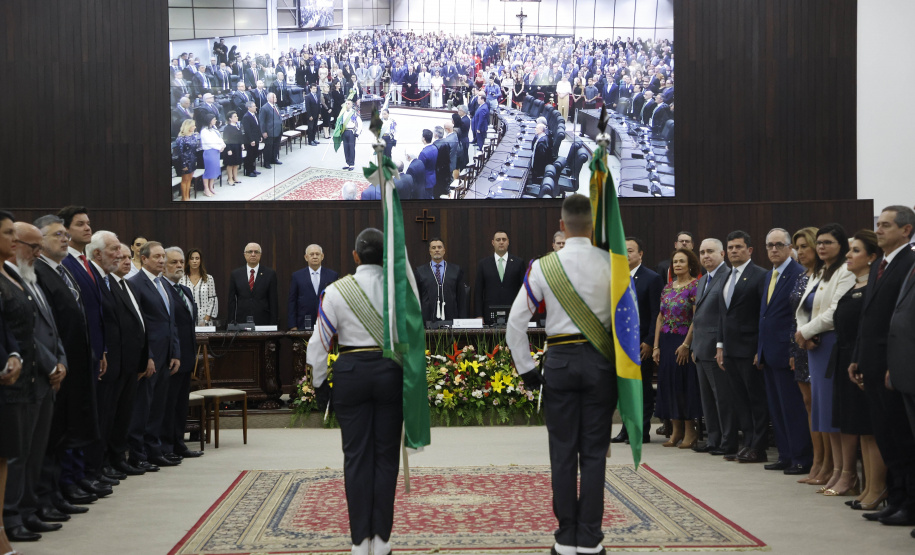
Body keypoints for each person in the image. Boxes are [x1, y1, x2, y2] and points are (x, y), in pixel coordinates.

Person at [505, 194, 615, 555]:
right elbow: (628, 324)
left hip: (560, 365)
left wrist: (528, 372)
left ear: (562, 225)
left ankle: (566, 536)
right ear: (593, 225)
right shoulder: (613, 264)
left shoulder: (542, 267)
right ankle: (591, 538)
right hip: (601, 364)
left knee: (563, 452)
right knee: (595, 453)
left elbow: (514, 325)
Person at [306, 228, 402, 555]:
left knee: (357, 458)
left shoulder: (334, 290)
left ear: (355, 256)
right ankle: (383, 541)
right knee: (386, 459)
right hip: (390, 373)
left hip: (350, 373)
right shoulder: (399, 289)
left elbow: (318, 342)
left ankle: (360, 542)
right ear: (385, 257)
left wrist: (320, 385)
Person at [32, 215, 103, 515]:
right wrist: (55, 362)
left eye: (65, 234)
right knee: (53, 433)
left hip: (74, 363)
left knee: (70, 427)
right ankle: (50, 493)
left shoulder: (62, 271)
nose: (64, 239)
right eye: (57, 235)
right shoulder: (38, 272)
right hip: (53, 368)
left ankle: (63, 488)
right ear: (38, 242)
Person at [2, 222, 68, 543]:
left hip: (45, 378)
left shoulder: (31, 279)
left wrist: (61, 361)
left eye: (39, 247)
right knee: (19, 454)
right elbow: (21, 334)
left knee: (36, 450)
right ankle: (11, 516)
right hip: (26, 379)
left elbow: (52, 330)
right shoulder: (9, 281)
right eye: (33, 247)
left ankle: (29, 509)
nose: (38, 253)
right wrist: (50, 363)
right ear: (15, 246)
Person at [849, 206, 915, 525]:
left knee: (901, 436)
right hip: (871, 362)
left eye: (886, 225)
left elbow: (898, 321)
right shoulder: (881, 264)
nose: (879, 230)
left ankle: (908, 502)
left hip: (893, 365)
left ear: (906, 230)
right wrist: (858, 357)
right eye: (878, 225)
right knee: (884, 434)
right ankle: (894, 497)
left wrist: (892, 363)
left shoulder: (909, 262)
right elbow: (869, 317)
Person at [795, 224, 855, 493]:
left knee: (833, 412)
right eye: (818, 242)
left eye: (828, 242)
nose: (821, 247)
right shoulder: (820, 271)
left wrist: (807, 331)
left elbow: (836, 310)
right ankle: (832, 470)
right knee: (821, 412)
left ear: (840, 246)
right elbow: (804, 306)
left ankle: (845, 473)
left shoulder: (845, 271)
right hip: (814, 345)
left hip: (831, 342)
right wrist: (803, 333)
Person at [755, 228, 812, 476]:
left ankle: (801, 457)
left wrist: (793, 350)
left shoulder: (798, 274)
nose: (774, 249)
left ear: (791, 248)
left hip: (788, 352)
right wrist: (760, 349)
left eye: (779, 245)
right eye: (770, 245)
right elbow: (764, 316)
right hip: (769, 352)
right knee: (776, 408)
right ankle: (785, 455)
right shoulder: (769, 276)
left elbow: (795, 317)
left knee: (793, 407)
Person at [836, 230, 885, 507]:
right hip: (848, 359)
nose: (848, 255)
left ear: (872, 256)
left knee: (870, 428)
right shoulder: (854, 285)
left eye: (855, 250)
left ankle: (877, 487)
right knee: (860, 427)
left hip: (865, 360)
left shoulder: (871, 288)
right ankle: (868, 486)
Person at [127, 241, 181, 471]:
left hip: (166, 356)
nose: (161, 261)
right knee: (143, 408)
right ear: (144, 259)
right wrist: (146, 356)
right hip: (149, 357)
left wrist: (175, 352)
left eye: (163, 257)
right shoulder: (135, 284)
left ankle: (154, 450)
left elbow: (171, 322)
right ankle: (138, 454)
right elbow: (138, 326)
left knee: (159, 406)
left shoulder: (163, 284)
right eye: (157, 257)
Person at [716, 230, 768, 462]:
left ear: (750, 250)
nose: (734, 251)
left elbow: (763, 316)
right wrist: (720, 346)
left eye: (738, 247)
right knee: (739, 400)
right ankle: (746, 443)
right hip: (730, 350)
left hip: (750, 349)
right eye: (730, 248)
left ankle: (759, 446)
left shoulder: (760, 275)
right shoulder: (727, 276)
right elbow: (723, 315)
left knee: (755, 399)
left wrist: (760, 348)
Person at [612, 237, 661, 445]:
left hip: (641, 344)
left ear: (640, 254)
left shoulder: (652, 278)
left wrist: (650, 341)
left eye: (630, 250)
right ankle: (626, 428)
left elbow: (656, 313)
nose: (626, 254)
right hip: (620, 344)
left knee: (641, 389)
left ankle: (642, 431)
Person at [651, 248, 701, 448]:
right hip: (666, 341)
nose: (678, 264)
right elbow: (660, 317)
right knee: (669, 385)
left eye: (682, 261)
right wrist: (655, 346)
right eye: (675, 262)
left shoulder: (695, 286)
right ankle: (676, 429)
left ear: (690, 264)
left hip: (684, 341)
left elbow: (696, 318)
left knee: (684, 385)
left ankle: (690, 431)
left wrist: (687, 345)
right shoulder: (667, 288)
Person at [688, 238, 734, 455]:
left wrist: (720, 344)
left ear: (722, 254)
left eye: (710, 251)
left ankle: (728, 441)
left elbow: (725, 316)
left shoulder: (728, 277)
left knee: (723, 399)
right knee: (707, 400)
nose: (705, 256)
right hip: (700, 349)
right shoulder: (702, 280)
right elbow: (698, 316)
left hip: (716, 348)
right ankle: (713, 439)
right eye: (702, 252)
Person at [107, 243, 148, 478]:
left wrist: (142, 360)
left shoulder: (127, 286)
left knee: (124, 415)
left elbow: (139, 325)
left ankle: (118, 458)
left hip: (132, 363)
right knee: (112, 416)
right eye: (120, 257)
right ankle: (109, 461)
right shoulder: (109, 285)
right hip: (116, 362)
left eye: (127, 257)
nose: (126, 261)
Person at [789, 227, 826, 483]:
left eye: (805, 246)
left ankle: (827, 464)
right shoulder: (802, 277)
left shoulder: (827, 275)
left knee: (822, 406)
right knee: (809, 404)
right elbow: (796, 316)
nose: (800, 252)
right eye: (798, 247)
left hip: (821, 344)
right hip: (801, 346)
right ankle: (818, 461)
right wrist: (794, 349)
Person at [161, 247, 203, 462]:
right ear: (163, 265)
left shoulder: (185, 291)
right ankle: (166, 446)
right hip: (171, 358)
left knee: (180, 404)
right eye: (173, 262)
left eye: (180, 262)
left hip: (187, 357)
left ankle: (179, 443)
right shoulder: (162, 290)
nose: (178, 266)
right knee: (168, 405)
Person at [474, 231, 526, 324]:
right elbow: (478, 292)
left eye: (504, 239)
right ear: (493, 243)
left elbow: (524, 290)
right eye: (498, 240)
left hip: (514, 315)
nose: (501, 242)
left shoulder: (518, 263)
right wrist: (479, 315)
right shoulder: (484, 264)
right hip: (489, 316)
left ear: (508, 242)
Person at [414, 238, 467, 324]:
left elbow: (461, 298)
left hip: (451, 318)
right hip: (427, 320)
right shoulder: (420, 272)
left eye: (439, 247)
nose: (437, 250)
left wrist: (462, 321)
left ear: (444, 250)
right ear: (430, 251)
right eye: (433, 248)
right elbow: (416, 298)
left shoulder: (456, 270)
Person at [287, 244, 338, 331]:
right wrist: (292, 325)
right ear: (306, 257)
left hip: (327, 323)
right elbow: (292, 301)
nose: (315, 257)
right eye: (312, 254)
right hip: (303, 323)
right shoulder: (297, 276)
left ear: (322, 256)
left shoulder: (332, 275)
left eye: (317, 254)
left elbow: (336, 301)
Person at [227, 243, 278, 326]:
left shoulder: (270, 274)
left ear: (260, 255)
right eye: (250, 252)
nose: (253, 254)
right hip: (241, 321)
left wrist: (273, 324)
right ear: (244, 255)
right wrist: (231, 323)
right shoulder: (236, 274)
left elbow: (273, 301)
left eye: (256, 252)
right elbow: (231, 301)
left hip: (263, 321)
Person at [179, 248, 218, 325]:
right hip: (186, 320)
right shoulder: (181, 279)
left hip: (205, 321)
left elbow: (212, 300)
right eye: (192, 258)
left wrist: (206, 319)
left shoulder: (208, 278)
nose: (194, 261)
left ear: (200, 261)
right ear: (188, 261)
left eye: (197, 258)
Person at [173, 120, 200, 201]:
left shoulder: (192, 136)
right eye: (193, 126)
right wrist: (183, 165)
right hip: (184, 161)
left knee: (189, 180)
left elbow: (195, 148)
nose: (195, 127)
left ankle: (187, 196)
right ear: (188, 127)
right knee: (185, 180)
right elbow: (180, 153)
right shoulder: (181, 138)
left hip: (192, 160)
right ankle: (184, 198)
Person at [199, 115, 225, 197]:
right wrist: (219, 147)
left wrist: (223, 145)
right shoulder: (204, 131)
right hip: (209, 152)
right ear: (209, 120)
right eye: (214, 119)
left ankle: (211, 187)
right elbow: (209, 142)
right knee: (209, 170)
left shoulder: (214, 128)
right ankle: (206, 189)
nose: (215, 120)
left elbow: (219, 138)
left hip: (216, 151)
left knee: (214, 169)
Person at [335, 99, 362, 171]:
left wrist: (358, 132)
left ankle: (352, 164)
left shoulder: (354, 113)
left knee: (351, 148)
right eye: (346, 103)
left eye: (348, 103)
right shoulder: (343, 113)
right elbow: (340, 122)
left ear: (352, 105)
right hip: (344, 131)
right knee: (345, 148)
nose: (347, 105)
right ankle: (347, 163)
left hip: (351, 131)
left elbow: (360, 123)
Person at [259, 92, 284, 170]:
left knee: (276, 146)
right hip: (269, 131)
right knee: (268, 147)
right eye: (273, 97)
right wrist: (263, 132)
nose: (275, 98)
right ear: (269, 98)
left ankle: (274, 159)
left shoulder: (275, 106)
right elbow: (262, 121)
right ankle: (267, 162)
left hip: (278, 129)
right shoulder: (264, 108)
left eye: (275, 97)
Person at [222, 111, 244, 186]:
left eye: (236, 116)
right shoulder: (227, 128)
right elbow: (225, 139)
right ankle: (230, 178)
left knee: (236, 163)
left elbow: (240, 136)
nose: (237, 117)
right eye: (235, 116)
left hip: (237, 146)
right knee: (230, 164)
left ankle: (235, 177)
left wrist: (242, 144)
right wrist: (228, 149)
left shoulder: (237, 126)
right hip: (230, 148)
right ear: (230, 119)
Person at [241, 101, 262, 178]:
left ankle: (253, 169)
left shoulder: (255, 115)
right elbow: (247, 130)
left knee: (254, 155)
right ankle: (248, 171)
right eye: (253, 106)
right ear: (249, 108)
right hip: (250, 140)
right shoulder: (246, 117)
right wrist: (251, 140)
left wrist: (260, 136)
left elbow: (257, 126)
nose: (255, 107)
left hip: (256, 138)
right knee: (249, 156)